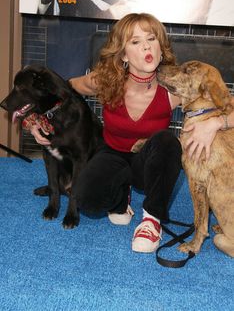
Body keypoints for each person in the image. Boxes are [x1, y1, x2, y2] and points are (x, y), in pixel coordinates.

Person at [29, 13, 234, 253]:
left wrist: (215, 123)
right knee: (87, 200)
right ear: (124, 54)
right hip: (112, 153)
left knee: (167, 141)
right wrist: (34, 120)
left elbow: (226, 104)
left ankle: (151, 220)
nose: (146, 45)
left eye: (151, 38)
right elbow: (61, 89)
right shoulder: (104, 81)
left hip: (149, 162)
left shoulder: (175, 87)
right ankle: (120, 199)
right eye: (135, 42)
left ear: (160, 48)